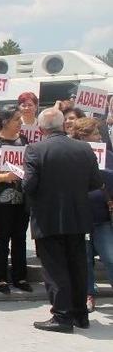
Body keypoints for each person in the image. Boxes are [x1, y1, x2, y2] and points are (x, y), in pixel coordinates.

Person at [24, 108, 102, 332]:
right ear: (63, 126)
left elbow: (29, 185)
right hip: (78, 216)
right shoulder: (84, 147)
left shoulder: (35, 149)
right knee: (77, 265)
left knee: (55, 268)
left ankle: (62, 316)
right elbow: (96, 182)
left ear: (40, 129)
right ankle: (80, 315)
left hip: (48, 218)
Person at [0, 108, 32, 294]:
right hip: (0, 199)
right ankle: (0, 278)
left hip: (22, 197)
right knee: (2, 238)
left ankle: (20, 276)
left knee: (20, 237)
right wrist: (3, 177)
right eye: (16, 119)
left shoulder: (24, 140)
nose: (20, 122)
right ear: (4, 122)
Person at [68, 117, 113, 313]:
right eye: (95, 133)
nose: (99, 136)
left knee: (110, 256)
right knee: (84, 259)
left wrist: (102, 172)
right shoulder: (71, 156)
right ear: (83, 136)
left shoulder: (108, 155)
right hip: (80, 215)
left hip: (102, 215)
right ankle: (88, 293)